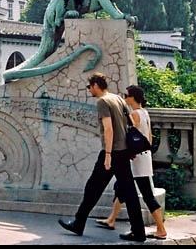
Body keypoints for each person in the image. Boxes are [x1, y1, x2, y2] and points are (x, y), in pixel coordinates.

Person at [58, 72, 146, 242]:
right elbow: (131, 125)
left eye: (89, 87)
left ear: (96, 85)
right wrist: (129, 150)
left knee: (93, 187)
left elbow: (108, 129)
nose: (89, 90)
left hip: (112, 153)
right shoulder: (118, 99)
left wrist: (107, 155)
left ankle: (78, 223)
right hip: (122, 152)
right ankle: (138, 231)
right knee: (128, 193)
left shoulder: (103, 102)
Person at [95, 85, 167, 240]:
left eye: (126, 95)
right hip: (144, 156)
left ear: (133, 97)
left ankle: (161, 229)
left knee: (147, 194)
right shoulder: (145, 113)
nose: (124, 98)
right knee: (121, 188)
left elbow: (128, 137)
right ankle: (111, 219)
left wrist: (125, 153)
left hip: (136, 158)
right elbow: (149, 138)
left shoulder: (134, 114)